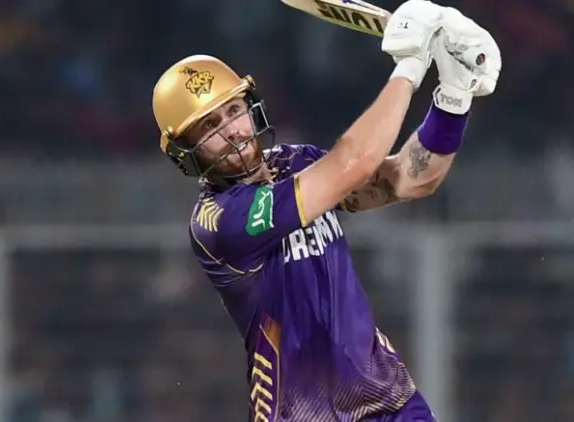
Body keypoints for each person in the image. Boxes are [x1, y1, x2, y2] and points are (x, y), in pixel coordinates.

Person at [151, 1, 500, 420]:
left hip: (392, 403)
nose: (233, 131)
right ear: (185, 151)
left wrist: (454, 95)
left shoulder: (296, 162)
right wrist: (410, 66)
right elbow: (356, 161)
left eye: (233, 110)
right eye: (210, 126)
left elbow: (412, 178)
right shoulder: (220, 221)